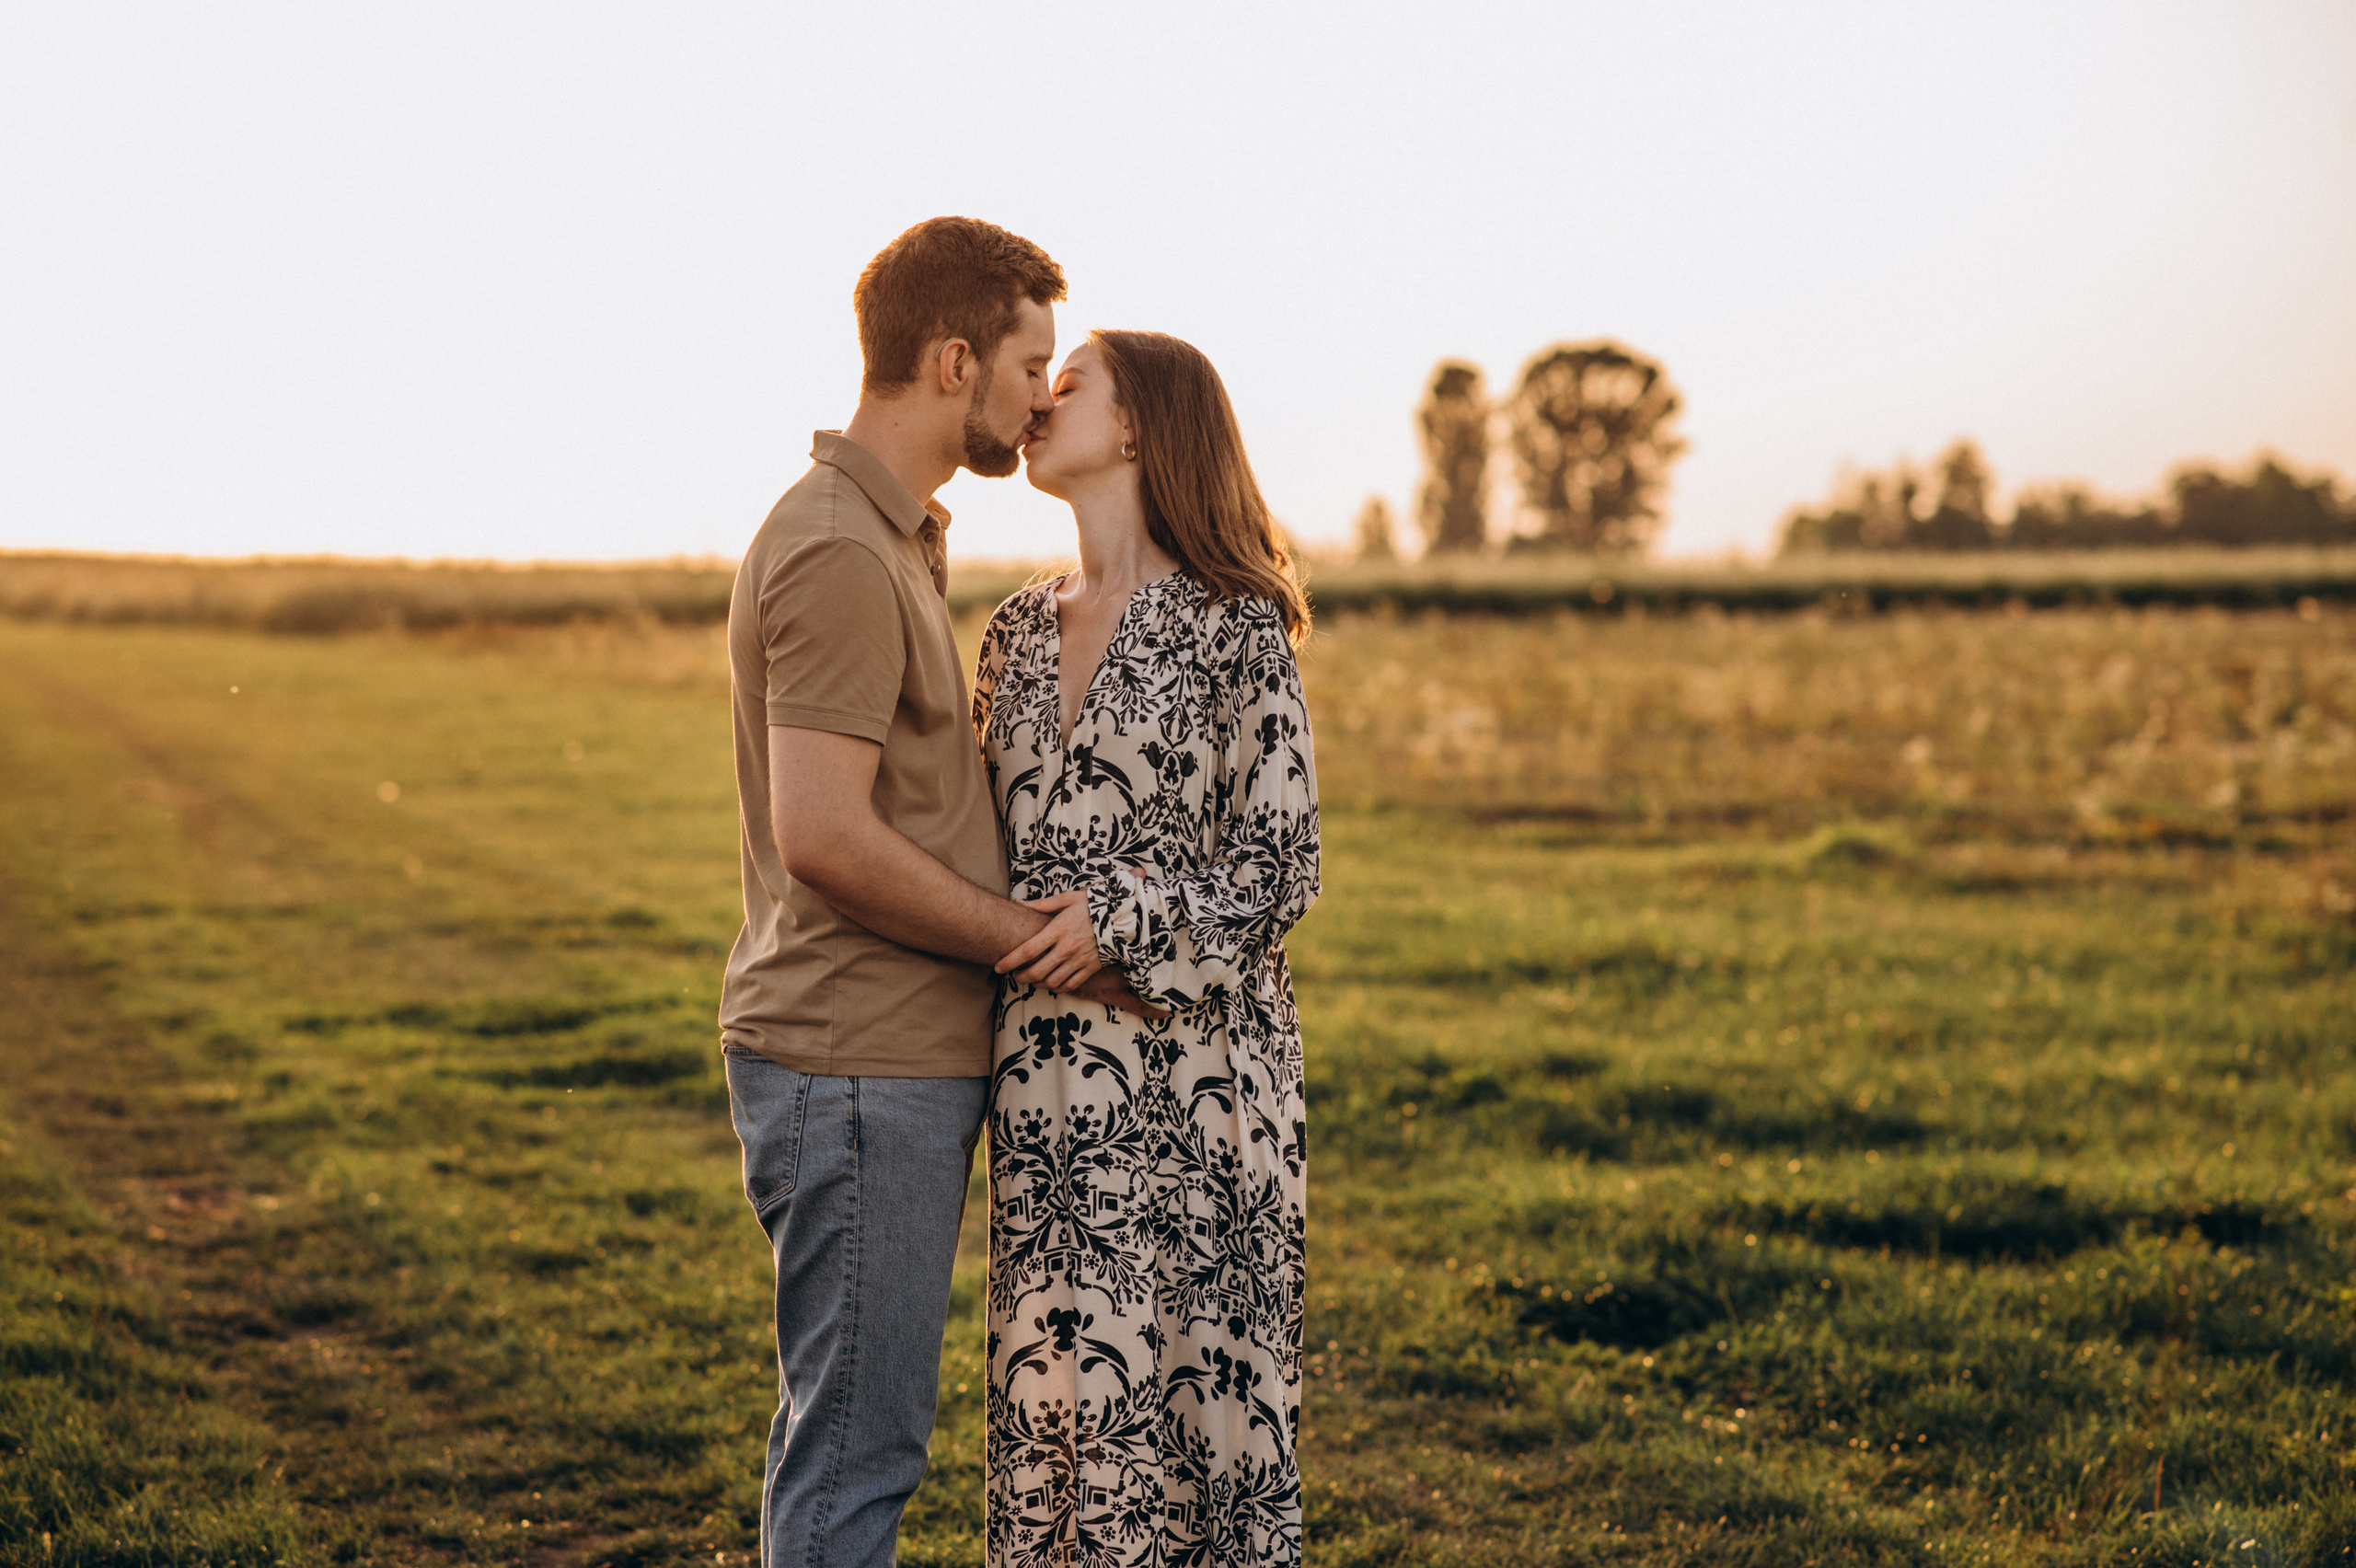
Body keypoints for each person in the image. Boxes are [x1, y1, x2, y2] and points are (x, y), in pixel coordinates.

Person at [720, 217, 1158, 1568]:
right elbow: (827, 838)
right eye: (1030, 364)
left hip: (883, 1066)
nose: (1044, 396)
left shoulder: (888, 534)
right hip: (856, 1065)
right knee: (856, 1463)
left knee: (852, 1441)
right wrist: (1045, 945)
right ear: (956, 358)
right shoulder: (844, 551)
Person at [973, 330, 1321, 1566]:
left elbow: (1279, 869)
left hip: (1202, 1096)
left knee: (1194, 1427)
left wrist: (1113, 924)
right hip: (1048, 1107)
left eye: (1066, 387)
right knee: (1062, 1417)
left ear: (1136, 428)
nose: (1034, 404)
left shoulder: (1238, 628)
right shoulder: (1011, 635)